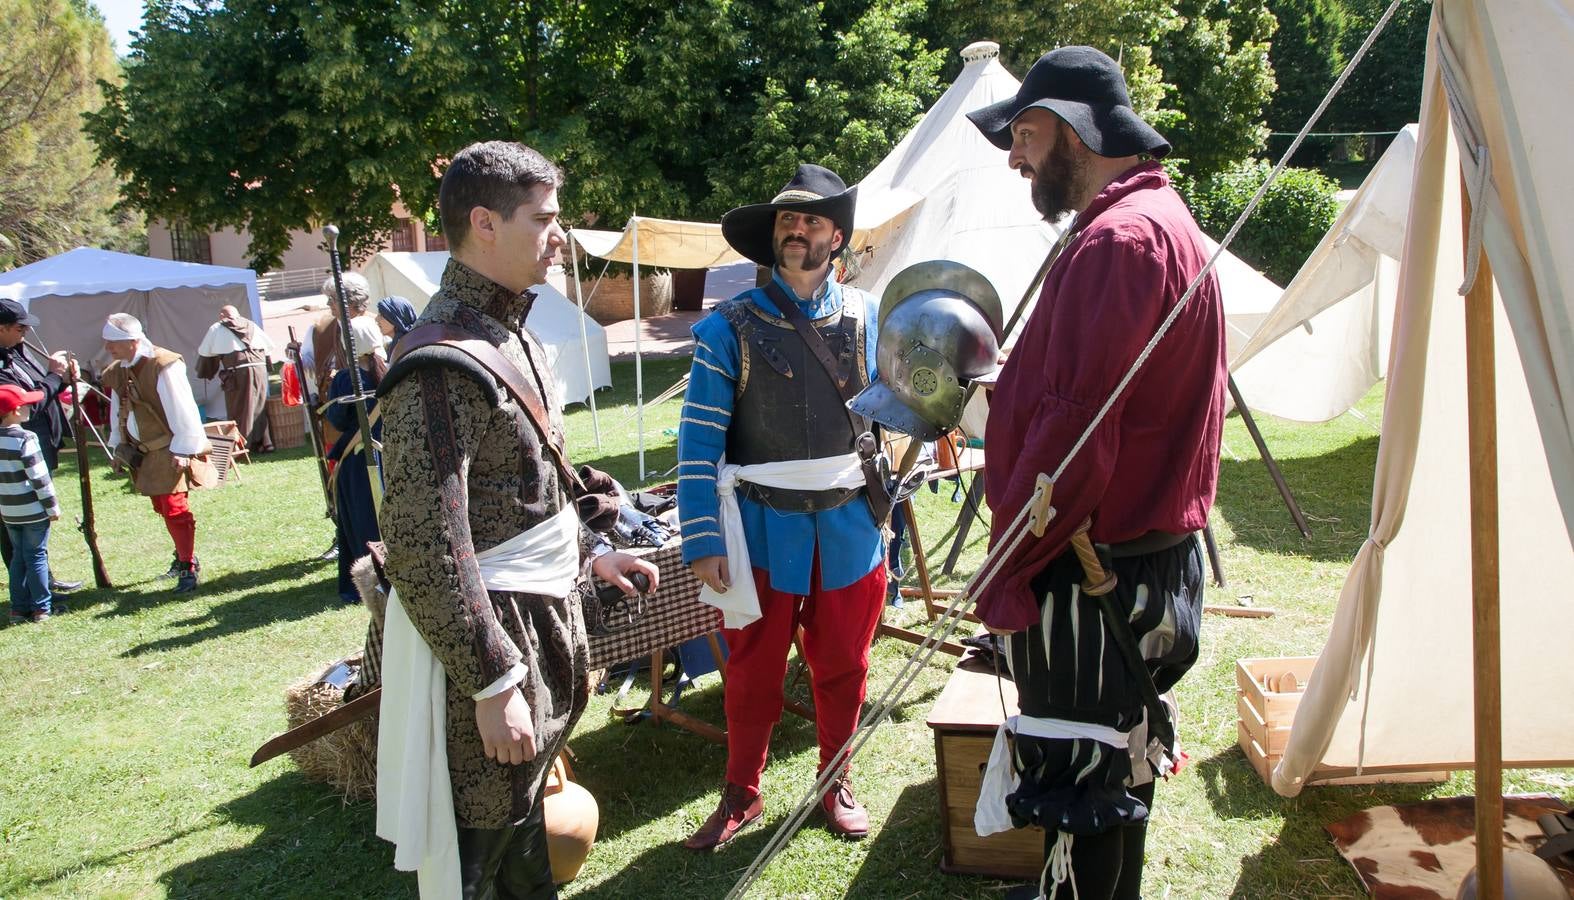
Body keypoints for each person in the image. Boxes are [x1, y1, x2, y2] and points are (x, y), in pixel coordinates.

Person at [964, 46, 1226, 899]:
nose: (1016, 158)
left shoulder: (1121, 240)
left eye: (1027, 136)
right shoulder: (1156, 221)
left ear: (1073, 132)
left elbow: (1076, 437)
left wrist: (1007, 567)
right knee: (1114, 777)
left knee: (1084, 789)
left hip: (1096, 573)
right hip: (1138, 559)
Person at [374, 140, 657, 899]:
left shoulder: (511, 333)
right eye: (544, 218)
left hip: (536, 616)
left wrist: (588, 553)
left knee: (525, 839)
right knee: (481, 854)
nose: (559, 234)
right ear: (484, 223)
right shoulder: (441, 363)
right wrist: (493, 680)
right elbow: (428, 544)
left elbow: (527, 491)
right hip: (490, 642)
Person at [676, 164, 887, 850]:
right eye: (788, 221)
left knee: (845, 665)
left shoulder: (868, 318)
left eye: (813, 220)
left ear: (837, 237)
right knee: (751, 670)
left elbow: (901, 400)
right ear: (773, 236)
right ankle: (741, 793)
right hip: (759, 529)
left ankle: (836, 780)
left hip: (850, 525)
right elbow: (699, 439)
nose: (798, 230)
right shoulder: (726, 329)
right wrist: (702, 537)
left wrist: (945, 401)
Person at [102, 313, 218, 593]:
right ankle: (182, 557)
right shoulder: (120, 368)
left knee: (176, 509)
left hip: (170, 448)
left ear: (131, 341)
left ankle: (188, 566)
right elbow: (118, 409)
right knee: (162, 509)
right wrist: (118, 446)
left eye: (112, 342)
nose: (108, 348)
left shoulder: (163, 364)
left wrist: (185, 449)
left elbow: (183, 407)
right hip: (144, 454)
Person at [0, 298, 82, 595]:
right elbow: (24, 406)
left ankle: (41, 579)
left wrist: (61, 379)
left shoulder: (16, 351)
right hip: (12, 449)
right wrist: (53, 376)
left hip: (38, 443)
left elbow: (39, 392)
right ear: (2, 328)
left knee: (31, 522)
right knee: (16, 524)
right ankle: (31, 591)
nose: (25, 332)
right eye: (20, 327)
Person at [324, 327, 383, 605]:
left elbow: (336, 419)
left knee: (360, 521)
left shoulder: (348, 378)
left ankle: (364, 583)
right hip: (386, 455)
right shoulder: (389, 368)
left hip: (359, 459)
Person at [0, 384, 62, 624]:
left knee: (18, 557)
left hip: (9, 511)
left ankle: (18, 608)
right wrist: (52, 506)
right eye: (26, 404)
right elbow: (39, 477)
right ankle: (41, 608)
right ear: (15, 411)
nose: (30, 408)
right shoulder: (26, 438)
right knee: (36, 555)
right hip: (33, 510)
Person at [196, 304, 276, 454]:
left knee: (239, 407)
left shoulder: (218, 327)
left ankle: (243, 446)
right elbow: (267, 350)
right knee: (259, 406)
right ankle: (266, 442)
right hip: (260, 369)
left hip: (238, 373)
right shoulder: (251, 325)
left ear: (221, 316)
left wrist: (204, 372)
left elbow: (207, 354)